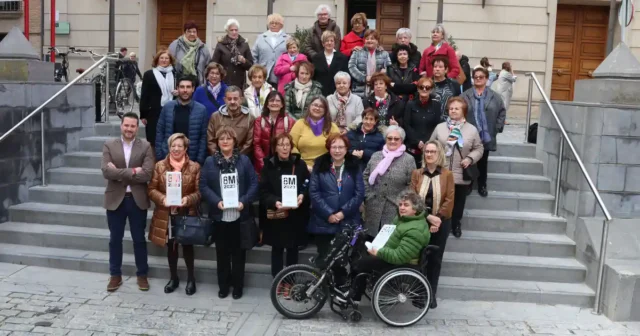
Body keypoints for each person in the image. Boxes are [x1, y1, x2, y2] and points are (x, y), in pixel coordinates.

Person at [200, 126, 259, 300]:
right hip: (219, 217)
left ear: (234, 141)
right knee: (222, 254)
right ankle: (223, 286)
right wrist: (216, 201)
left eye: (228, 138)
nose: (225, 142)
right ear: (217, 143)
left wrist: (244, 201)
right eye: (221, 139)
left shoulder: (244, 161)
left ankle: (238, 286)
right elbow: (203, 186)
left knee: (239, 254)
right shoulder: (210, 162)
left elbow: (254, 184)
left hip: (239, 217)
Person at [101, 112, 154, 292]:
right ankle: (115, 275)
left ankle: (142, 275)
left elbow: (147, 173)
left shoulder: (146, 146)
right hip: (115, 199)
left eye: (133, 126)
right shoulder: (109, 145)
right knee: (115, 239)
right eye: (126, 125)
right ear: (121, 126)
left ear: (137, 128)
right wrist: (132, 172)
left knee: (139, 239)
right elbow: (106, 172)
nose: (129, 129)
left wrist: (120, 172)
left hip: (137, 200)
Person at [350, 191, 430, 303]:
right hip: (391, 252)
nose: (402, 207)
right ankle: (353, 289)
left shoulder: (415, 230)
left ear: (415, 209)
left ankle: (355, 298)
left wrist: (379, 252)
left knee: (362, 263)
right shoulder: (402, 219)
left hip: (402, 262)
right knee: (359, 251)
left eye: (406, 205)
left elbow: (399, 256)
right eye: (401, 204)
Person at [148, 133, 201, 295]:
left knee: (187, 246)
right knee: (171, 247)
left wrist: (188, 199)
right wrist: (162, 198)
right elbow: (151, 190)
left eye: (180, 146)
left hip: (186, 213)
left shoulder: (195, 167)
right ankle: (174, 277)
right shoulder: (159, 166)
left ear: (185, 149)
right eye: (173, 146)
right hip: (166, 213)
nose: (176, 149)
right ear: (169, 147)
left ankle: (191, 279)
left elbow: (199, 192)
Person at [410, 140, 455, 309]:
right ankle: (419, 293)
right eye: (427, 151)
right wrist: (428, 217)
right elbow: (412, 198)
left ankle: (431, 294)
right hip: (420, 221)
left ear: (439, 154)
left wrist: (438, 219)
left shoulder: (447, 175)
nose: (429, 154)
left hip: (441, 223)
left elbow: (450, 200)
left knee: (435, 259)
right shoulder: (416, 173)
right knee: (420, 258)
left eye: (432, 152)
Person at [430, 97, 484, 238]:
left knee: (458, 203)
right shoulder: (440, 127)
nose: (453, 111)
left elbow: (479, 148)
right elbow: (431, 145)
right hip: (441, 171)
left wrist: (470, 158)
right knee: (440, 201)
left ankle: (456, 224)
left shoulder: (471, 130)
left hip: (460, 173)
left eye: (456, 108)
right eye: (451, 108)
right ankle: (440, 224)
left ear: (464, 111)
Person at [259, 133, 310, 278]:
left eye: (287, 144)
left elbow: (307, 185)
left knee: (293, 249)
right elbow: (263, 191)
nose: (284, 148)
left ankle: (290, 282)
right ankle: (278, 282)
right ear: (275, 148)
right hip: (277, 214)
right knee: (277, 249)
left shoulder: (300, 165)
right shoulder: (268, 165)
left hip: (295, 215)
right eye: (281, 145)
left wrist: (302, 196)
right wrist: (275, 202)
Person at [308, 133, 364, 259]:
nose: (337, 150)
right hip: (324, 222)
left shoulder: (354, 166)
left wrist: (343, 213)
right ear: (329, 148)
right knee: (325, 259)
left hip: (348, 222)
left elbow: (359, 193)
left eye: (341, 147)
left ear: (346, 149)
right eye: (334, 147)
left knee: (345, 262)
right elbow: (314, 192)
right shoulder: (320, 165)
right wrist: (329, 213)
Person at [363, 125, 416, 236]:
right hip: (373, 207)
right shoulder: (376, 156)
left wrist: (402, 203)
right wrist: (368, 195)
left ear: (401, 140)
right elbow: (365, 177)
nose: (392, 141)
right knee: (369, 242)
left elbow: (411, 184)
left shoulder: (409, 159)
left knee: (388, 244)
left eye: (396, 139)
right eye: (389, 138)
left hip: (394, 208)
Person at [462, 67, 506, 197]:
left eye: (481, 77)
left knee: (483, 161)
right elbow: (458, 109)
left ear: (487, 79)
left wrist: (496, 128)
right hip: (469, 133)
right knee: (469, 159)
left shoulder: (495, 96)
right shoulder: (465, 95)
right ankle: (469, 184)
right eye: (476, 77)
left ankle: (482, 184)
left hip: (486, 135)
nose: (478, 79)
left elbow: (502, 112)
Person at [155, 75, 209, 166]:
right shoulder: (168, 107)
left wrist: (199, 160)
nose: (185, 90)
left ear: (193, 89)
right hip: (168, 158)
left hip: (192, 160)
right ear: (177, 89)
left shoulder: (201, 110)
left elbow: (203, 137)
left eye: (188, 87)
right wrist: (160, 155)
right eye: (182, 87)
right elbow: (160, 132)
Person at [290, 96, 340, 170]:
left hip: (325, 168)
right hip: (302, 167)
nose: (317, 108)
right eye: (315, 105)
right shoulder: (300, 124)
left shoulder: (332, 127)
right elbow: (291, 145)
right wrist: (301, 163)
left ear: (326, 110)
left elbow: (338, 147)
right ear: (310, 106)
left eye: (321, 106)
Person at [140, 50, 177, 148]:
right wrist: (143, 114)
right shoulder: (149, 74)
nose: (164, 60)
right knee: (154, 139)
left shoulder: (175, 74)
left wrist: (178, 93)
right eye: (162, 58)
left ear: (170, 60)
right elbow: (144, 94)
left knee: (171, 139)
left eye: (166, 58)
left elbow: (181, 90)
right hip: (154, 111)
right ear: (157, 60)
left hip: (172, 110)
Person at [253, 91, 295, 174]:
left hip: (283, 163)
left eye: (278, 101)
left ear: (282, 104)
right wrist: (264, 164)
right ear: (267, 104)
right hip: (263, 163)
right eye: (271, 100)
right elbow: (256, 144)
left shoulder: (289, 121)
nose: (274, 103)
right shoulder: (259, 120)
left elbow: (291, 144)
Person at [404, 77, 442, 167]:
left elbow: (436, 125)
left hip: (430, 146)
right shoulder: (410, 104)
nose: (424, 89)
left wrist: (427, 142)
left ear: (431, 90)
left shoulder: (436, 105)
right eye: (421, 87)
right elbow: (407, 125)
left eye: (427, 87)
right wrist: (417, 142)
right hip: (413, 147)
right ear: (418, 89)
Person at [207, 86, 254, 156]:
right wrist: (217, 157)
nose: (232, 102)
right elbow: (210, 140)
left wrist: (237, 158)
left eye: (235, 99)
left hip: (241, 159)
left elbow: (249, 143)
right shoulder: (215, 117)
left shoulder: (249, 118)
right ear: (225, 100)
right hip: (218, 158)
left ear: (241, 99)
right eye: (229, 99)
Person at [211, 18, 254, 89]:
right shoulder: (221, 44)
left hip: (239, 83)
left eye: (236, 30)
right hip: (224, 82)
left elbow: (251, 66)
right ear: (227, 31)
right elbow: (214, 64)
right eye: (231, 30)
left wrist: (244, 61)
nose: (234, 32)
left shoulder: (244, 44)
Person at [348, 29, 391, 98]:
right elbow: (351, 67)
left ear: (377, 41)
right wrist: (364, 78)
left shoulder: (384, 54)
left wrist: (380, 76)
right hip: (359, 89)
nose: (369, 41)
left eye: (372, 39)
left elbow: (389, 68)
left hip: (378, 88)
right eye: (367, 38)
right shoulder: (357, 52)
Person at [252, 13, 290, 88]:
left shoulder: (288, 38)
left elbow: (292, 55)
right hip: (263, 74)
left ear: (281, 25)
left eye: (276, 23)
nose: (274, 25)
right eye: (271, 23)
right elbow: (254, 55)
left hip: (282, 74)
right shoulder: (261, 38)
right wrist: (256, 69)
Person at [312, 31, 349, 97]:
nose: (329, 43)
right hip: (320, 94)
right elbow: (313, 77)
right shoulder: (316, 58)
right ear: (323, 43)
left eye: (331, 41)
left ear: (334, 43)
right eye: (327, 41)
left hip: (338, 94)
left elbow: (346, 76)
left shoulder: (342, 58)